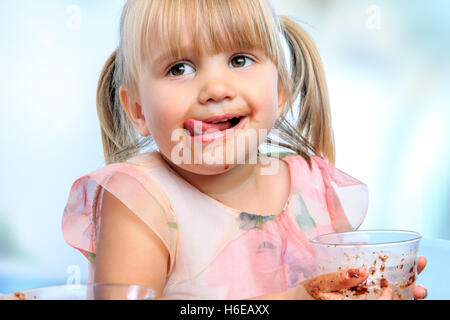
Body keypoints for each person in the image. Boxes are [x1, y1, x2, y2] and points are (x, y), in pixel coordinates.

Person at [62, 0, 427, 300]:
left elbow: (342, 288)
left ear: (280, 90)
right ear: (138, 110)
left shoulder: (313, 187)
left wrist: (373, 291)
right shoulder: (140, 202)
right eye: (179, 68)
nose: (216, 88)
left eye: (240, 61)